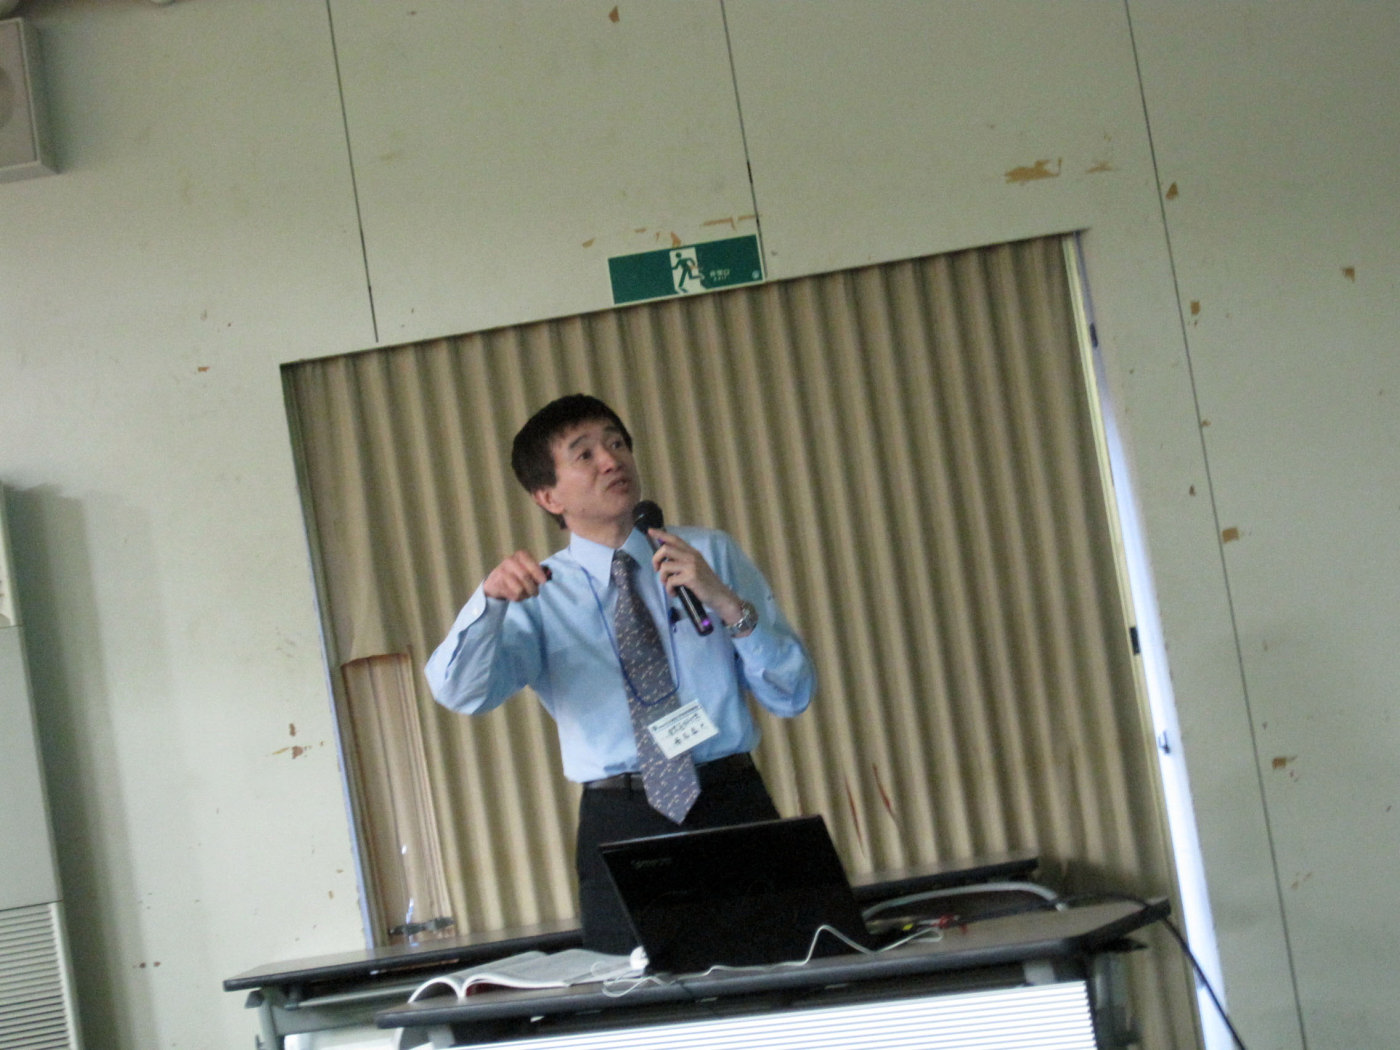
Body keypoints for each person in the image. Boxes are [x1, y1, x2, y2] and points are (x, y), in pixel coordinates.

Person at [425, 393, 815, 952]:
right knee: (633, 994)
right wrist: (487, 603)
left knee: (783, 970)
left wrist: (727, 604)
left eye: (617, 443)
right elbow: (461, 693)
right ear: (548, 496)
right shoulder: (537, 593)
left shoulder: (706, 553)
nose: (612, 460)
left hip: (731, 802)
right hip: (624, 820)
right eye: (584, 454)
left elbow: (792, 693)